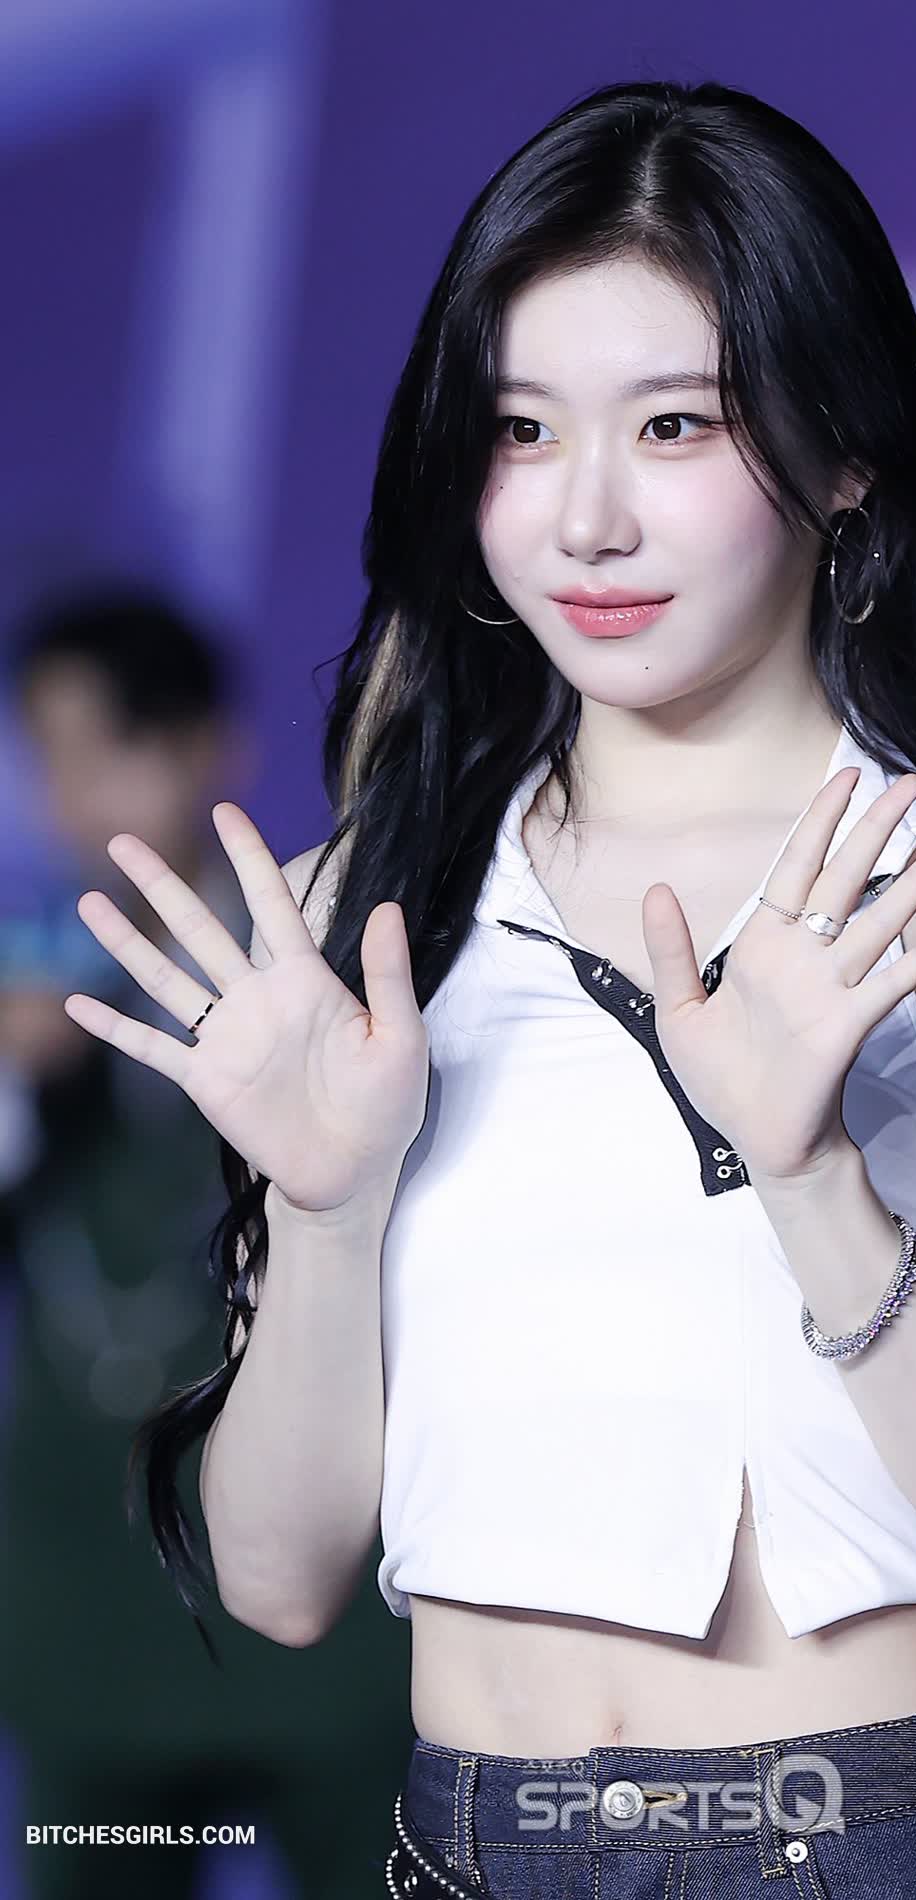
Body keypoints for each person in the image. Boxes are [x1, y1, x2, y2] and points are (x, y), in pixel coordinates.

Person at [57, 80, 916, 1899]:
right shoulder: (368, 910)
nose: (584, 518)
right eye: (519, 430)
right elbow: (279, 1581)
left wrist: (807, 1174)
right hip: (460, 1843)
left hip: (853, 1836)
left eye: (672, 426)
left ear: (843, 453)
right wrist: (325, 1215)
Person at [0, 589, 414, 1898]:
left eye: (114, 745)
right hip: (89, 1598)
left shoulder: (326, 957)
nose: (81, 793)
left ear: (208, 746)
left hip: (328, 1604)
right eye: (51, 752)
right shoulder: (21, 981)